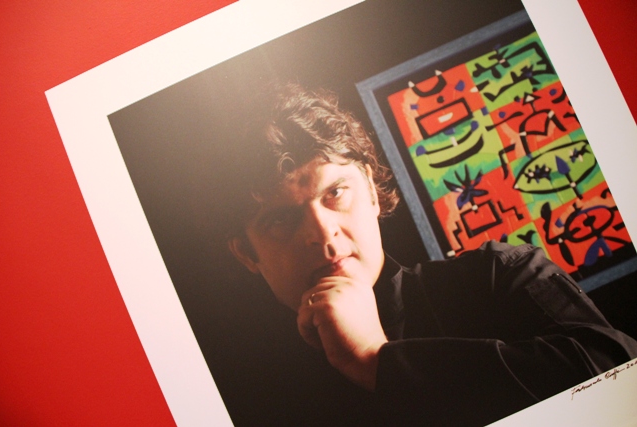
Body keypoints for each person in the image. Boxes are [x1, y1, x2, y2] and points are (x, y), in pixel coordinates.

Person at [219, 83, 637, 426]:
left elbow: (620, 381)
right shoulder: (239, 404)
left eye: (336, 193)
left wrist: (378, 362)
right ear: (246, 254)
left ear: (371, 190)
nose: (322, 231)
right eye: (280, 220)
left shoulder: (501, 273)